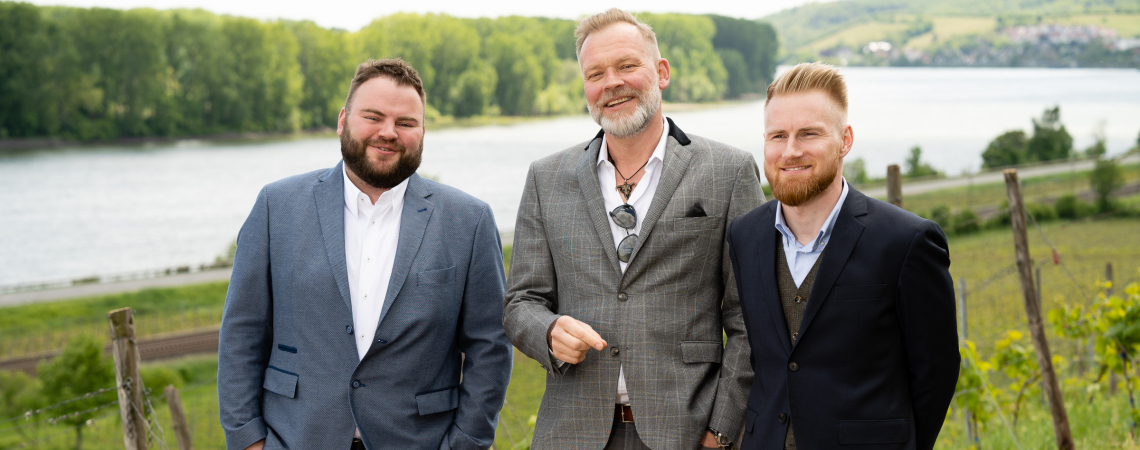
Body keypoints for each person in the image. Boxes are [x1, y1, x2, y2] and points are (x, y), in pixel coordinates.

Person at [502, 9, 764, 450]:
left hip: (687, 433)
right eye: (595, 73)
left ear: (661, 72)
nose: (612, 83)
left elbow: (750, 317)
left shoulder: (729, 171)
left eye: (627, 65)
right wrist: (547, 331)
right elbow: (520, 302)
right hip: (571, 434)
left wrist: (720, 432)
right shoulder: (545, 178)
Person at [218, 58, 512, 450]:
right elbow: (241, 333)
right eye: (373, 117)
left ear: (423, 132)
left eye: (406, 122)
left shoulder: (469, 221)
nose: (388, 132)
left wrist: (466, 443)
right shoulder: (276, 206)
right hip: (295, 439)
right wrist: (248, 441)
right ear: (343, 121)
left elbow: (490, 347)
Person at [726, 62, 960, 450]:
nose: (790, 150)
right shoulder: (744, 235)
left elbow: (936, 372)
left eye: (809, 133)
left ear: (845, 140)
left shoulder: (907, 241)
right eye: (778, 136)